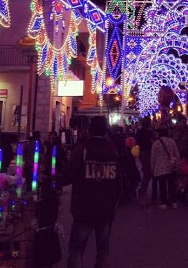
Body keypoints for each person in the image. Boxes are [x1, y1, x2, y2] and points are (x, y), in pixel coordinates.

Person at [59, 115, 119, 268]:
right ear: (106, 130)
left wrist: (53, 179)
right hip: (107, 206)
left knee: (77, 248)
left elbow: (68, 175)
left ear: (89, 130)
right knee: (102, 249)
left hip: (85, 205)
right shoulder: (113, 150)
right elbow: (119, 178)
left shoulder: (83, 149)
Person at [151, 127, 180, 209]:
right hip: (170, 166)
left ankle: (163, 203)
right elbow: (176, 153)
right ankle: (173, 201)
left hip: (160, 167)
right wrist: (178, 163)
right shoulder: (171, 141)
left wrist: (152, 168)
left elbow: (153, 157)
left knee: (162, 185)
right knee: (171, 185)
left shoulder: (156, 143)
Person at [135, 116, 154, 206]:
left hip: (144, 153)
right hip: (146, 153)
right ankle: (142, 193)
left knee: (147, 174)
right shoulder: (147, 132)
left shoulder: (140, 132)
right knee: (147, 174)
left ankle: (143, 193)